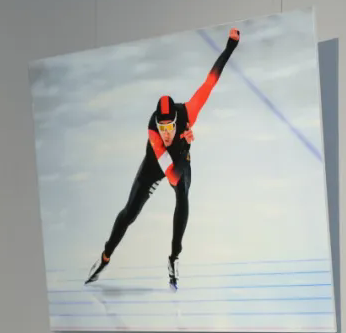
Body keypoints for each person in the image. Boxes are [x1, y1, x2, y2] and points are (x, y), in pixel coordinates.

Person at [85, 27, 241, 289]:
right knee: (129, 213)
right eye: (162, 127)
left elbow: (210, 81)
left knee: (183, 194)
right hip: (157, 164)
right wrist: (183, 142)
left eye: (170, 127)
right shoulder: (153, 132)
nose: (166, 132)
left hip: (179, 158)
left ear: (176, 121)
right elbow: (170, 173)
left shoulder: (188, 112)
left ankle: (174, 258)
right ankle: (105, 257)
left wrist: (229, 48)